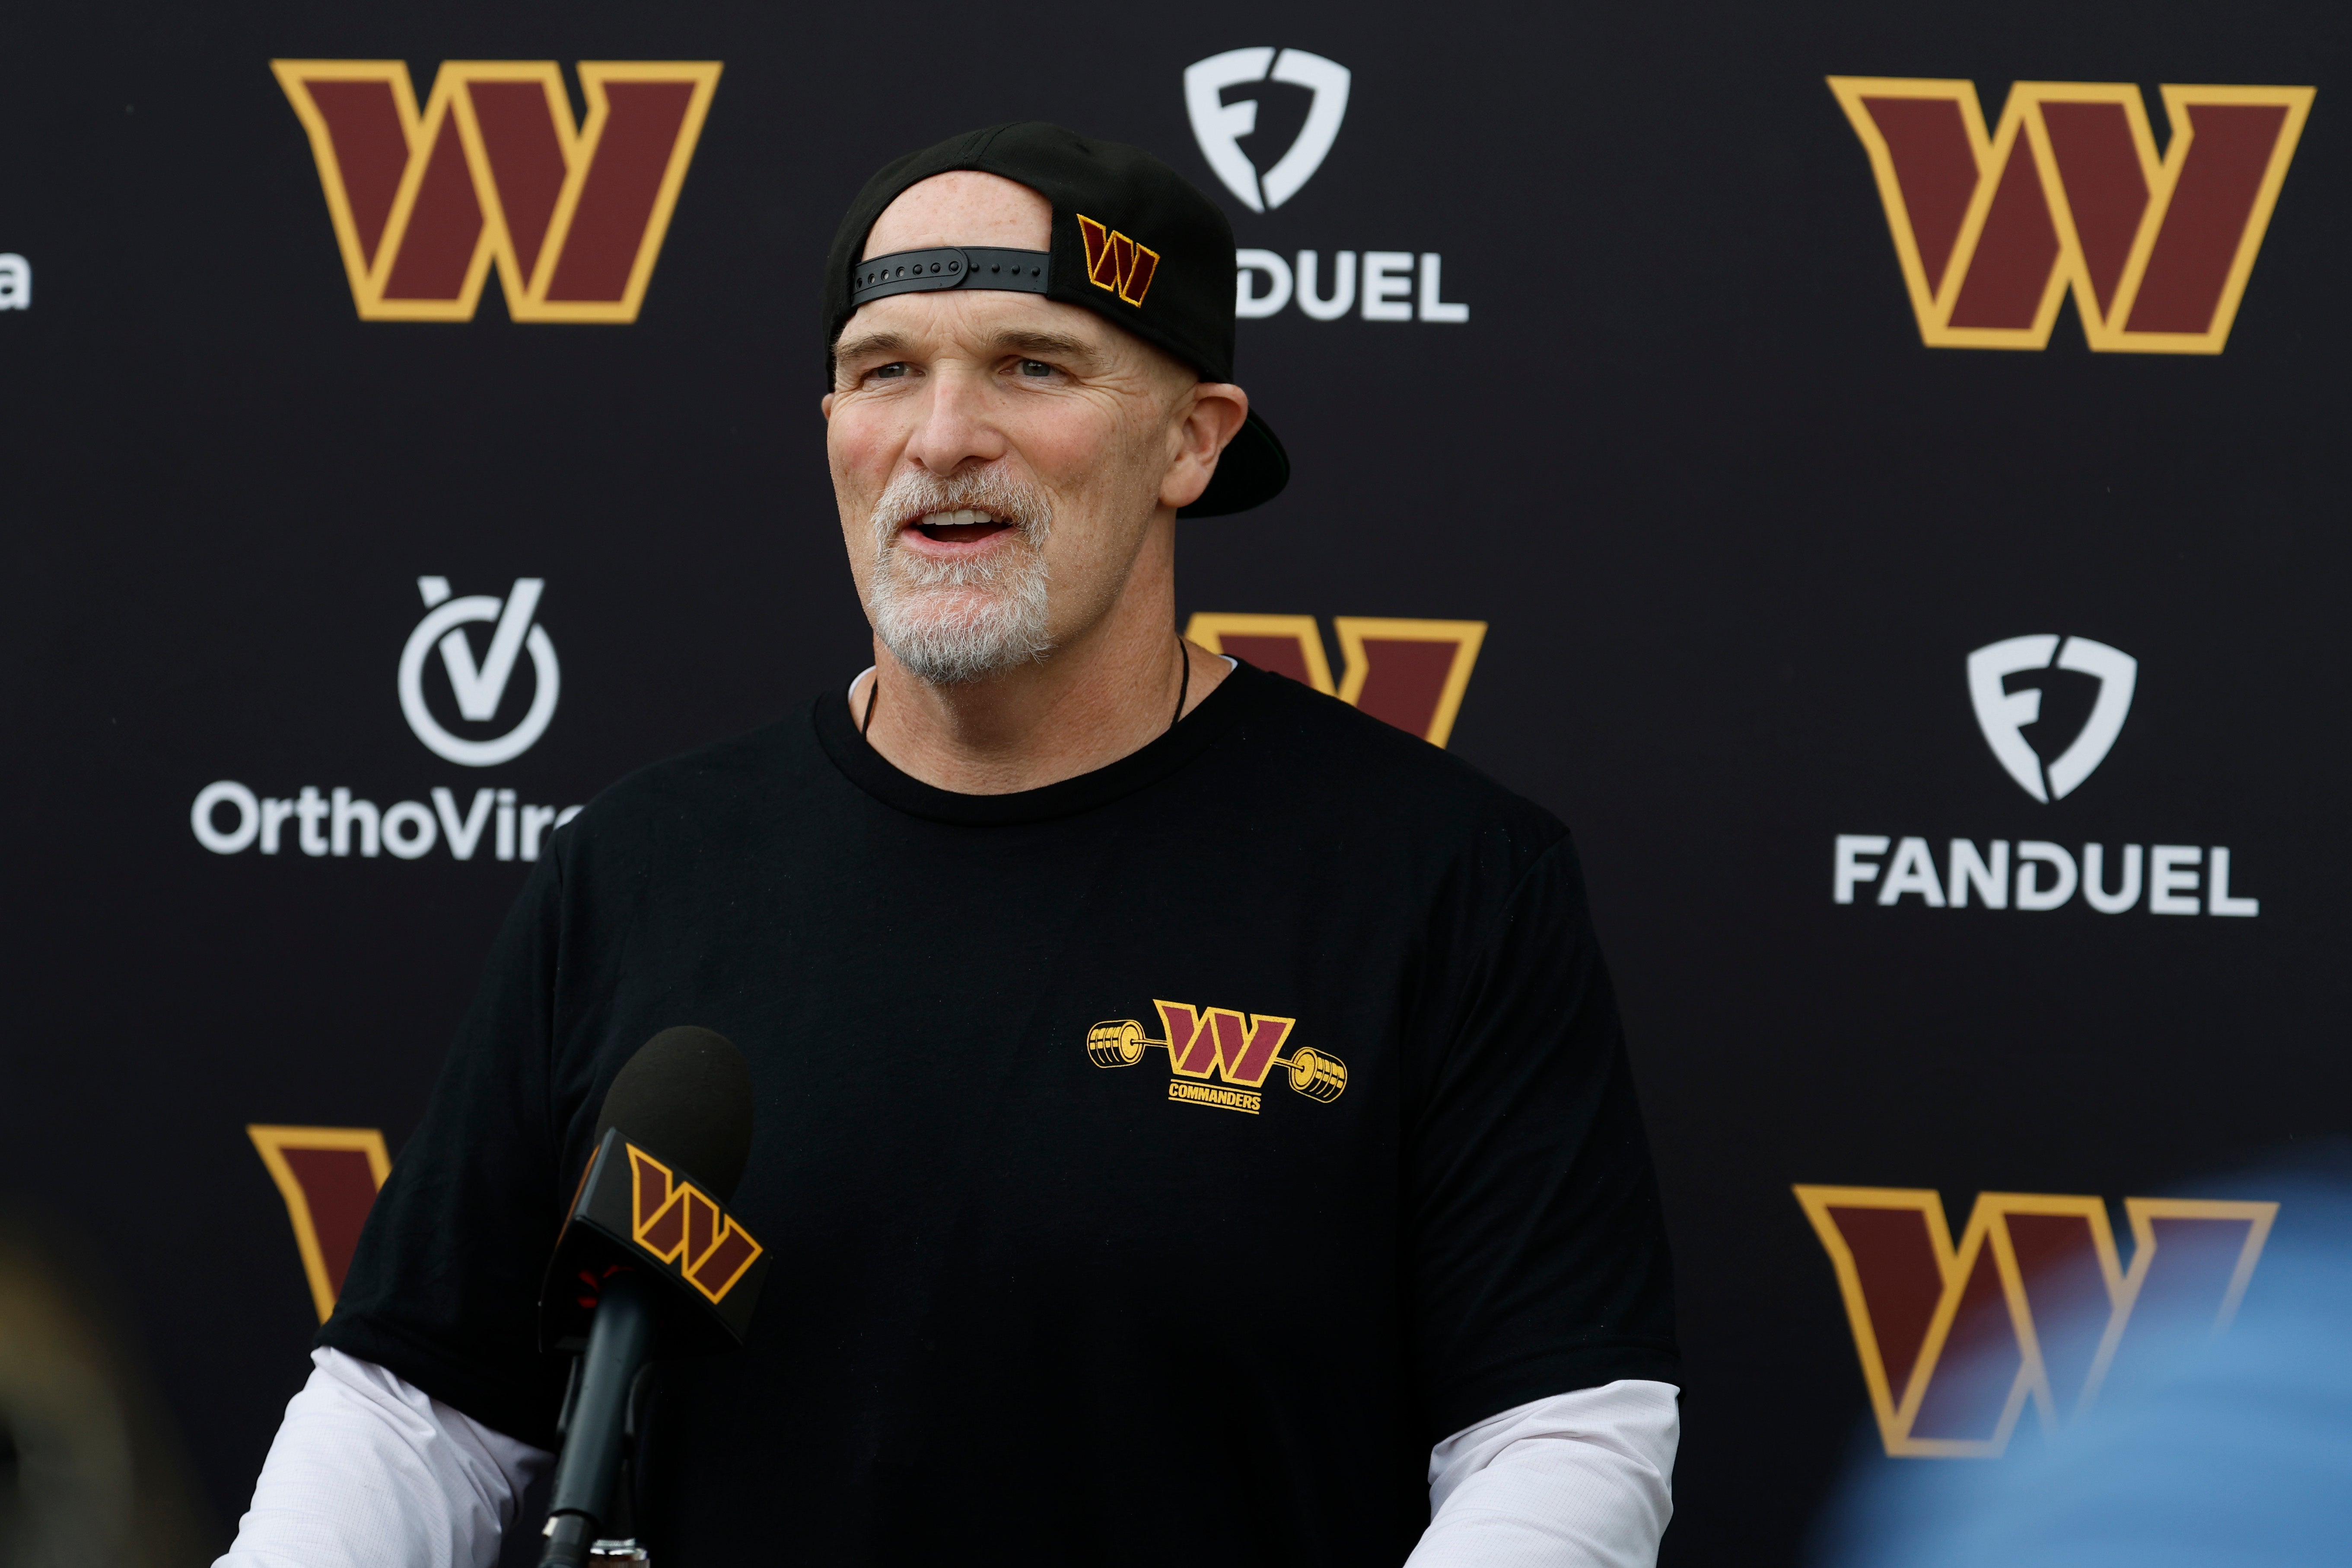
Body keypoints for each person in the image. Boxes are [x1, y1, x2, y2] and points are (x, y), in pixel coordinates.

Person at [217, 122, 1680, 1568]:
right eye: (885, 371)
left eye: (1032, 367)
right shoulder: (641, 863)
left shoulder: (1442, 878)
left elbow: (1558, 1437)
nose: (940, 438)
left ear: (1192, 439)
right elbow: (419, 1412)